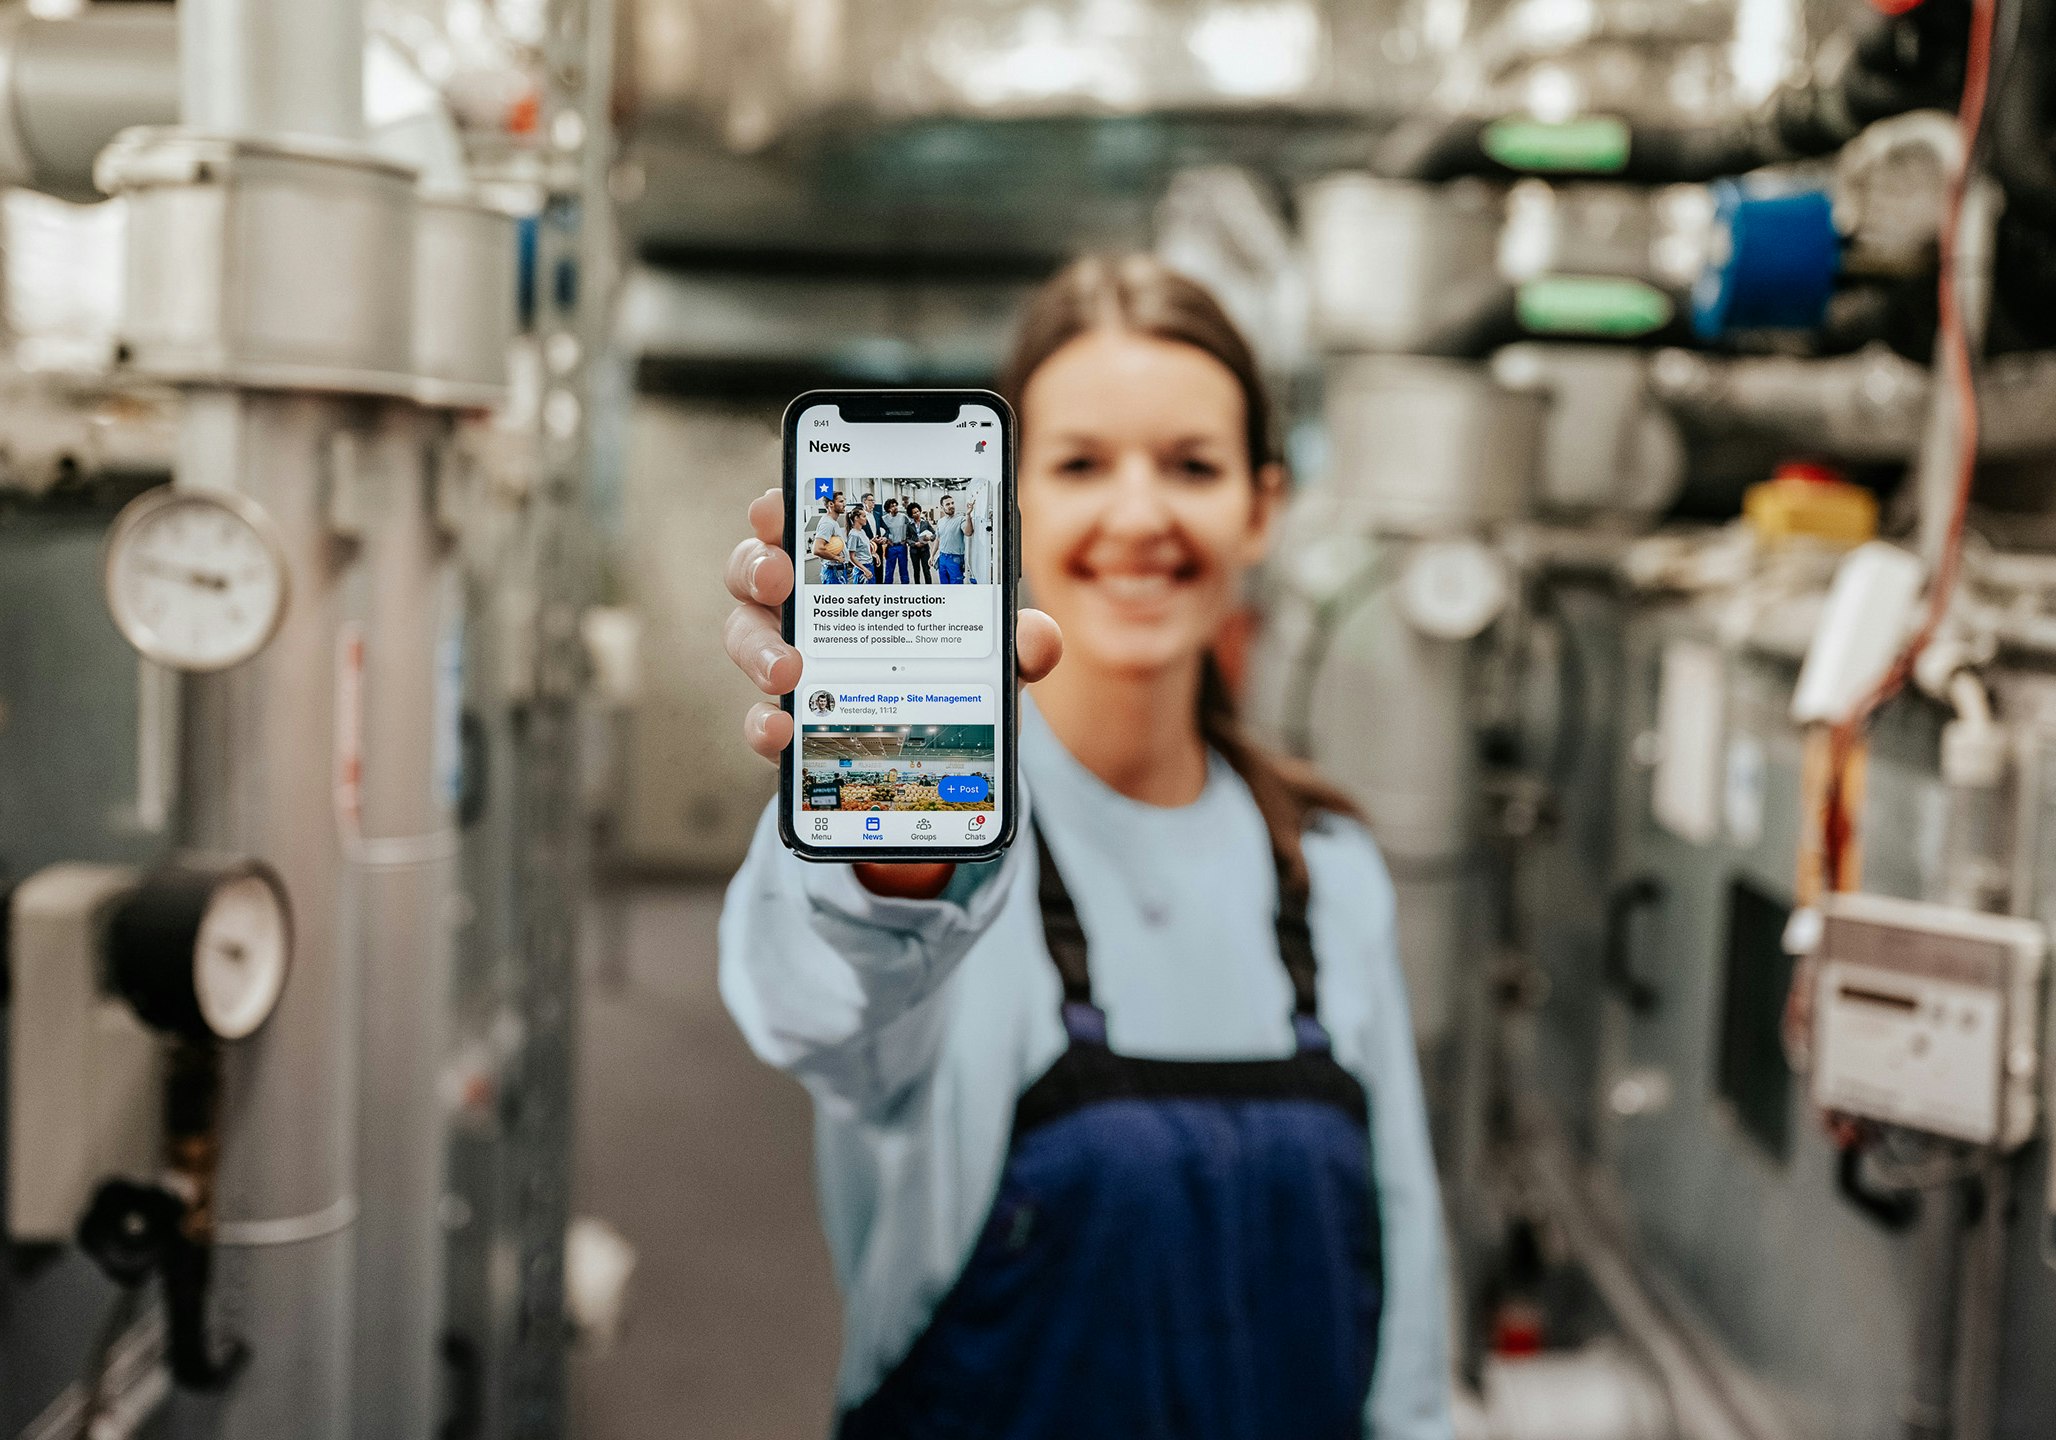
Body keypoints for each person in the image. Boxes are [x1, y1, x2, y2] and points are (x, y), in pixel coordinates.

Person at [719, 254, 1450, 1440]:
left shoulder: (1331, 875)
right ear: (1010, 507)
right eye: (1079, 465)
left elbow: (1405, 1300)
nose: (1138, 513)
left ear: (1261, 508)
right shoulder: (944, 854)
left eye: (1191, 466)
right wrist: (887, 864)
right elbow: (815, 1008)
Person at [809, 495, 849, 584]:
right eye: (841, 501)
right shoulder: (827, 523)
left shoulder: (832, 522)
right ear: (831, 504)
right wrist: (836, 557)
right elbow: (816, 549)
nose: (844, 504)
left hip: (838, 570)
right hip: (833, 571)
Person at [934, 492, 970, 584]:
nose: (951, 506)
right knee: (944, 585)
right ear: (942, 507)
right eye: (947, 504)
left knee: (956, 588)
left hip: (955, 559)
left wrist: (968, 515)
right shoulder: (940, 522)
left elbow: (968, 532)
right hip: (942, 557)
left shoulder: (961, 519)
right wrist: (932, 555)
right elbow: (937, 539)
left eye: (952, 503)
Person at [880, 497, 911, 584]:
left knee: (903, 568)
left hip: (902, 546)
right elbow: (881, 531)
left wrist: (906, 539)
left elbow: (911, 528)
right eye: (892, 506)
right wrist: (886, 541)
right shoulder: (884, 519)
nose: (895, 507)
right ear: (888, 509)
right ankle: (888, 587)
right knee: (889, 570)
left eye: (895, 505)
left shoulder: (903, 517)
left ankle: (905, 587)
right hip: (891, 547)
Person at [907, 502, 936, 584]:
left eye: (918, 511)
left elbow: (934, 533)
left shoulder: (925, 523)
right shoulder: (909, 525)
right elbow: (907, 538)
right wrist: (914, 543)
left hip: (925, 550)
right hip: (914, 551)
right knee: (916, 572)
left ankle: (928, 589)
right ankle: (917, 589)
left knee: (926, 571)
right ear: (911, 515)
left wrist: (930, 538)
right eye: (915, 512)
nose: (917, 513)